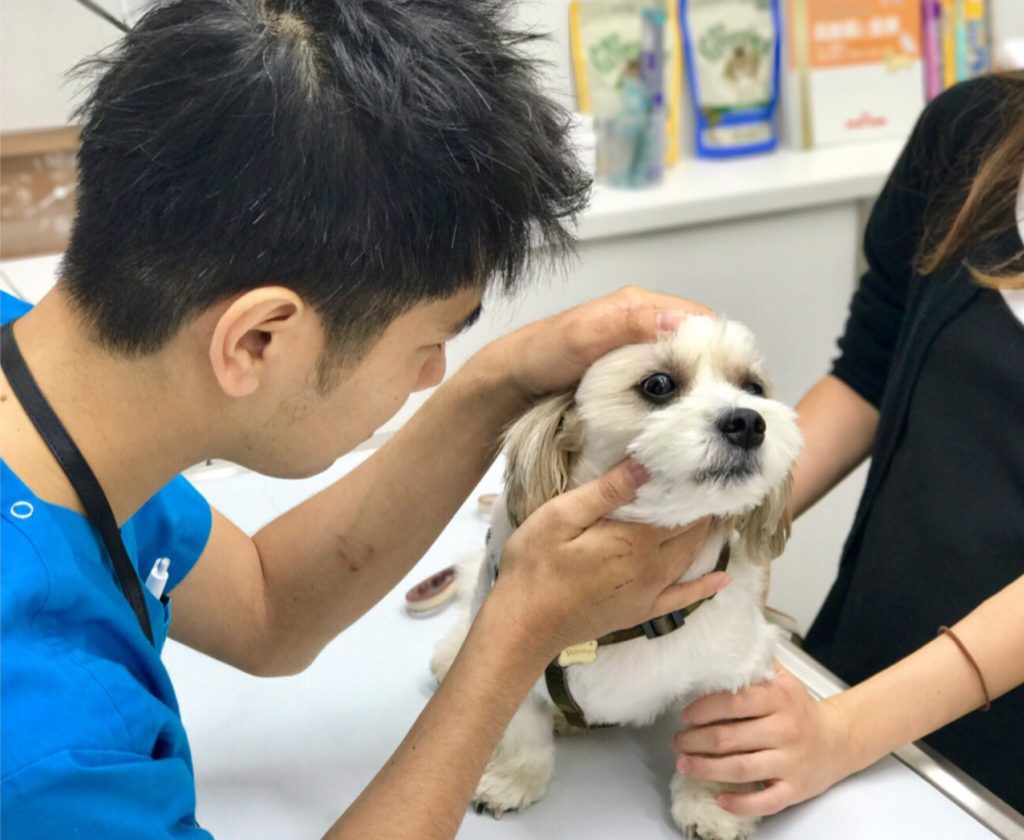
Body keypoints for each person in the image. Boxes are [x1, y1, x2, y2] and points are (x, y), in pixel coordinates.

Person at [0, 2, 726, 837]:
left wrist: (504, 379)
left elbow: (266, 608)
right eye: (427, 343)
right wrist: (516, 633)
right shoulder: (42, 751)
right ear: (260, 339)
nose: (432, 374)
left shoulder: (67, 418)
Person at [671, 72, 1024, 815]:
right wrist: (701, 532)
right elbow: (871, 371)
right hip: (861, 663)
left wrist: (847, 731)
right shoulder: (974, 132)